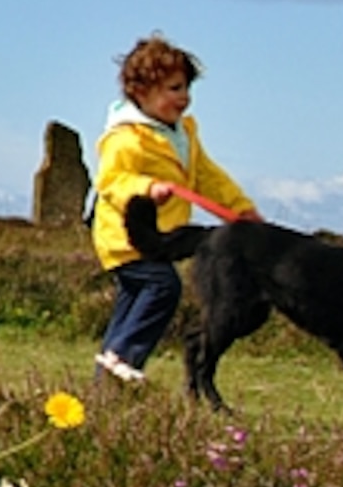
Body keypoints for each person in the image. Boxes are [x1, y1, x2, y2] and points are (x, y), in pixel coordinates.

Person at [89, 33, 260, 385]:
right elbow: (112, 181)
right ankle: (124, 358)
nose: (184, 98)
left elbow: (208, 176)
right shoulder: (125, 139)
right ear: (140, 92)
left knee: (132, 301)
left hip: (160, 237)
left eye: (185, 88)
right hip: (126, 237)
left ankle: (104, 379)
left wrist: (239, 209)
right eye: (173, 88)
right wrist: (147, 188)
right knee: (163, 287)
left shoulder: (183, 133)